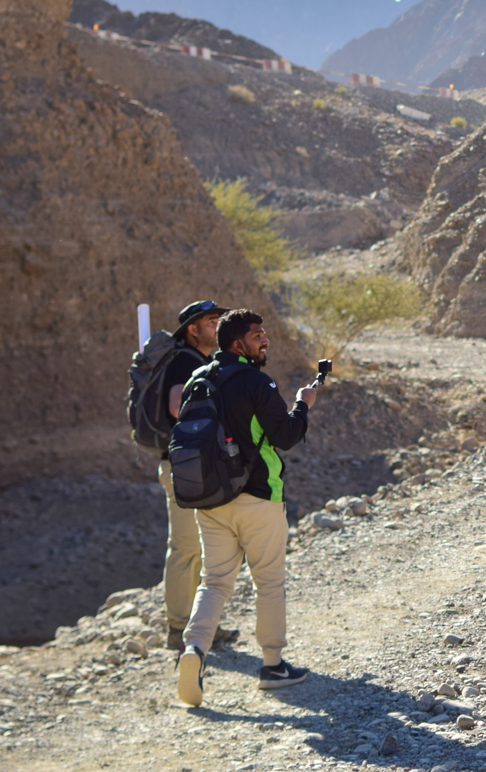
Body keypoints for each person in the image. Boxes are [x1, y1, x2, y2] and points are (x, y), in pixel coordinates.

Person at [177, 310, 317, 707]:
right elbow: (286, 436)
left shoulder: (197, 379)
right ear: (238, 344)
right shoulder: (257, 381)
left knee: (215, 581)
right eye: (258, 335)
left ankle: (194, 651)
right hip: (258, 498)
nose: (265, 341)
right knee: (268, 581)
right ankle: (273, 666)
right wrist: (303, 405)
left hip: (209, 500)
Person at [157, 300, 229, 652]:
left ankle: (200, 627)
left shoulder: (200, 361)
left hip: (194, 464)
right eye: (211, 321)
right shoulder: (184, 362)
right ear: (193, 329)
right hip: (182, 465)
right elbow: (175, 405)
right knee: (185, 547)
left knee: (201, 548)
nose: (218, 326)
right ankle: (177, 629)